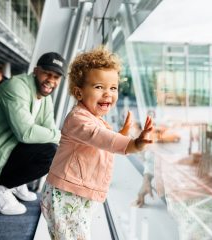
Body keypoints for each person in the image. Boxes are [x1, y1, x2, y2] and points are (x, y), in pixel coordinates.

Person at [40, 47, 154, 239]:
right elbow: (100, 137)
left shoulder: (93, 118)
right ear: (79, 92)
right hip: (66, 195)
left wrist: (122, 134)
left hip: (74, 194)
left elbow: (101, 142)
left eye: (113, 88)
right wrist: (134, 144)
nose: (108, 94)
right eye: (99, 87)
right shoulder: (78, 119)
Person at [0, 52, 66, 215]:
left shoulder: (46, 99)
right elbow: (25, 133)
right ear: (36, 71)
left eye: (56, 77)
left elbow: (49, 133)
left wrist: (58, 137)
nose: (51, 80)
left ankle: (15, 181)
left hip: (11, 144)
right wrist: (63, 136)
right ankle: (0, 188)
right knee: (51, 155)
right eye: (47, 73)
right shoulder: (16, 86)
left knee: (52, 148)